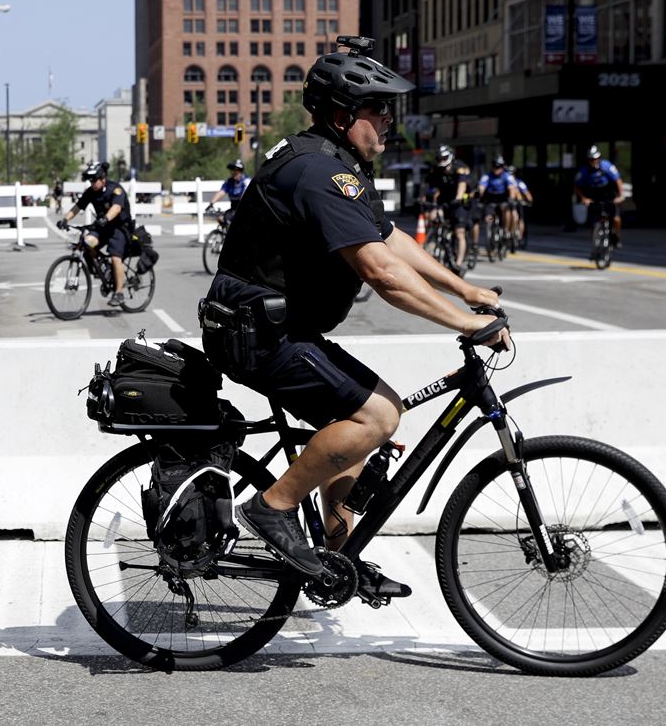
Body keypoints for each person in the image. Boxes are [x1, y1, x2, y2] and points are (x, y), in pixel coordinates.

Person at [199, 36, 508, 601]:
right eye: (378, 109)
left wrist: (465, 290)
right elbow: (381, 273)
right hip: (259, 332)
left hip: (271, 325)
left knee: (356, 423)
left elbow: (387, 239)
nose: (388, 120)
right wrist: (466, 324)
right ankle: (273, 508)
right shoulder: (319, 173)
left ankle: (336, 557)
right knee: (379, 415)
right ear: (342, 116)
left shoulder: (339, 165)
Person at [57, 161, 133, 307]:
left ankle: (119, 292)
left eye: (94, 180)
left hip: (120, 227)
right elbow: (78, 206)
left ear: (103, 178)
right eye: (90, 180)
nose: (92, 183)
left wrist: (105, 218)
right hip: (103, 227)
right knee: (86, 242)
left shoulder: (115, 189)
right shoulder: (91, 192)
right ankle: (103, 271)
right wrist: (65, 219)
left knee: (115, 257)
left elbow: (116, 208)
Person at [424, 144, 472, 272]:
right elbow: (434, 188)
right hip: (444, 201)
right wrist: (428, 201)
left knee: (459, 232)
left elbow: (462, 185)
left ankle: (459, 263)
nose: (441, 160)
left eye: (444, 157)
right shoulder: (437, 170)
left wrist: (458, 198)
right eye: (439, 158)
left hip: (459, 202)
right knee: (434, 219)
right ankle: (432, 249)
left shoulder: (460, 167)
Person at [574, 145, 626, 247]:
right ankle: (595, 243)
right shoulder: (584, 171)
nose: (592, 161)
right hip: (594, 196)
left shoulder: (607, 166)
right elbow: (576, 185)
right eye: (590, 159)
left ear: (599, 158)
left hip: (609, 195)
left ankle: (617, 236)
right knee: (593, 221)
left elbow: (618, 181)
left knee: (616, 218)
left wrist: (621, 195)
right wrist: (583, 198)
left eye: (594, 159)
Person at [476, 156, 520, 257]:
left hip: (503, 199)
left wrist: (511, 199)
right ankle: (490, 234)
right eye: (495, 167)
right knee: (488, 216)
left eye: (499, 167)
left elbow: (511, 188)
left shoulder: (507, 176)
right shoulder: (487, 176)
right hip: (491, 200)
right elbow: (481, 187)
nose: (497, 169)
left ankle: (506, 231)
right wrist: (480, 195)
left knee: (507, 210)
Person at [507, 165, 534, 249]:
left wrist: (529, 200)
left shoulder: (517, 182)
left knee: (519, 219)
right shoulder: (514, 182)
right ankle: (514, 235)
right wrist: (529, 200)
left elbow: (527, 194)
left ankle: (518, 236)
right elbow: (528, 195)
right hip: (511, 203)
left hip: (516, 203)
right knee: (517, 218)